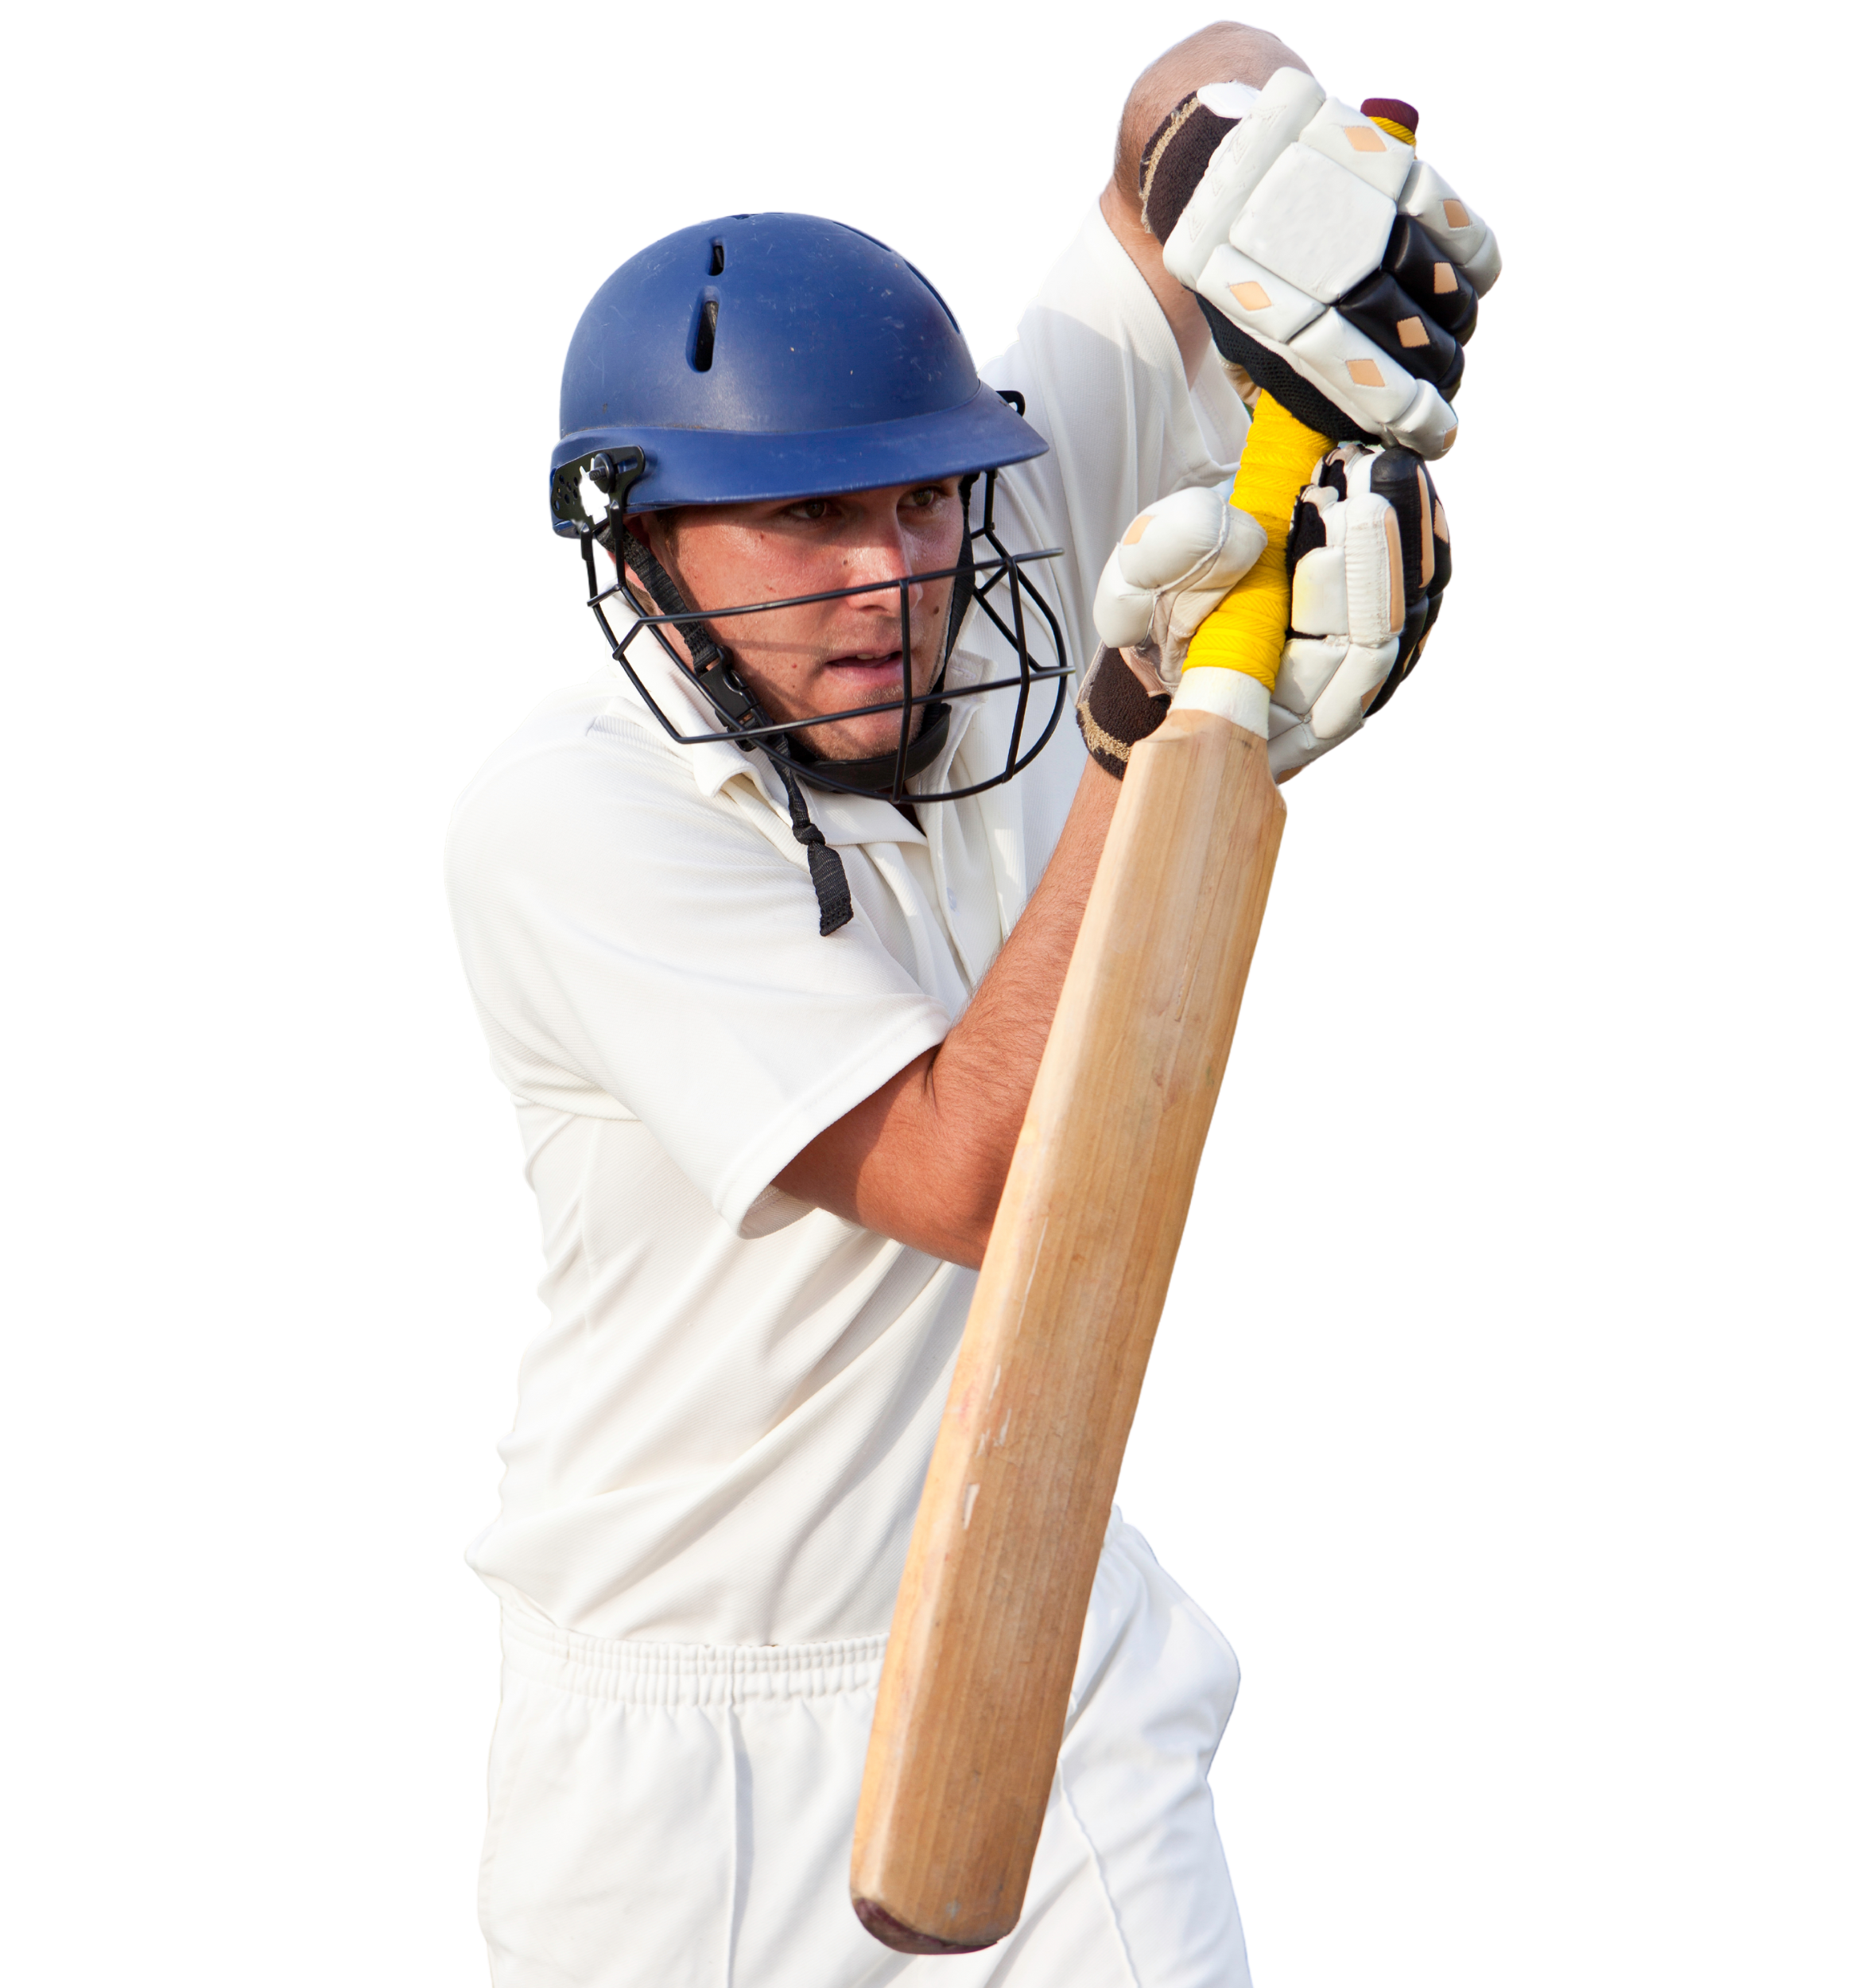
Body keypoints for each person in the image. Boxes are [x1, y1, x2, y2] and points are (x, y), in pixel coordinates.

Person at [444, 21, 1495, 1984]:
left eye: (921, 503)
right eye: (804, 522)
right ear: (641, 544)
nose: (891, 577)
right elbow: (970, 1173)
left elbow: (1184, 95)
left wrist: (1248, 158)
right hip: (683, 1751)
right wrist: (1160, 741)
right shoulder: (560, 819)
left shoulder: (982, 514)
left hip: (1051, 1635)